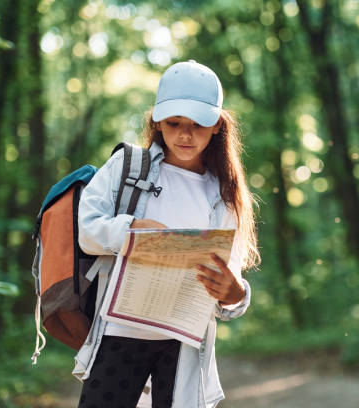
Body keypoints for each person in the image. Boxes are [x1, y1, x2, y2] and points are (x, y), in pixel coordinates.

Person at [73, 60, 259, 408]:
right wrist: (129, 232)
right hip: (118, 335)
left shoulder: (224, 195)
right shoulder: (126, 168)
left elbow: (226, 293)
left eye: (197, 125)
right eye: (174, 123)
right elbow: (86, 232)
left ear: (218, 125)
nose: (185, 135)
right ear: (156, 120)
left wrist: (236, 293)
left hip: (183, 344)